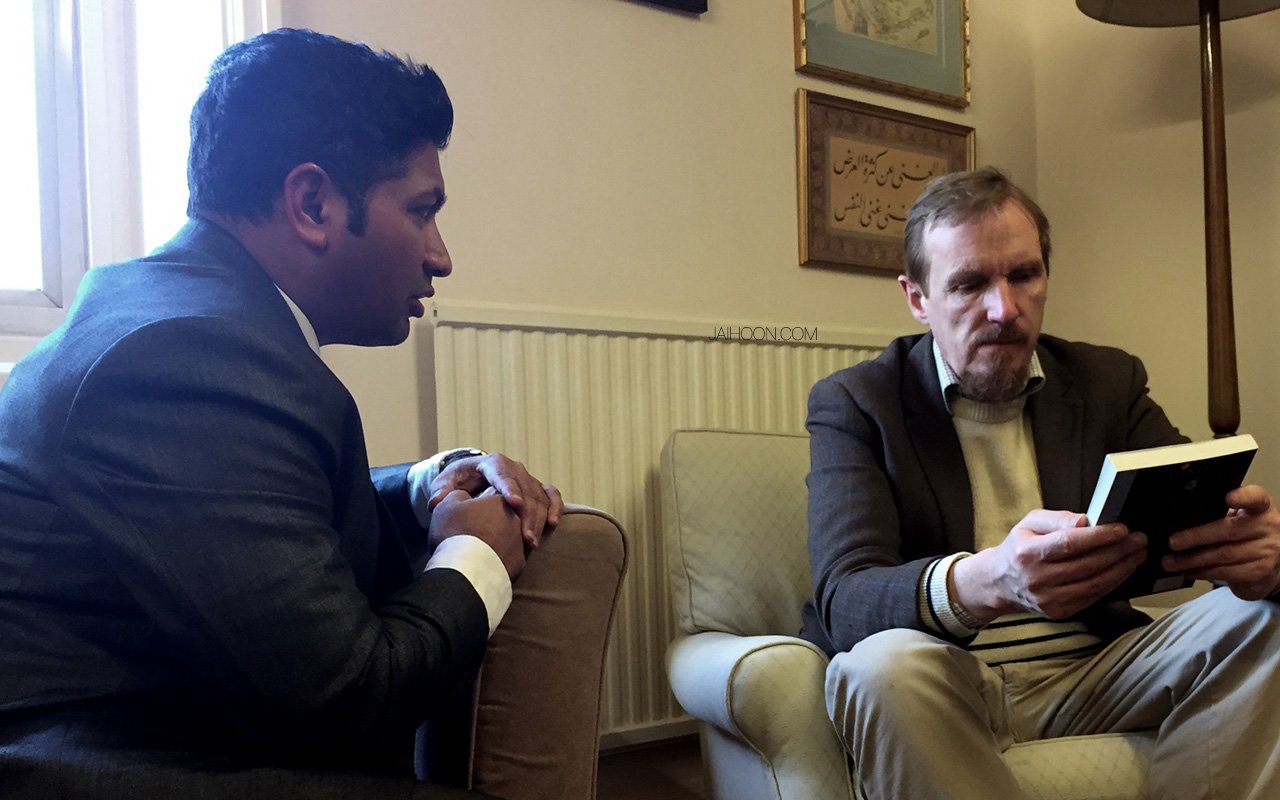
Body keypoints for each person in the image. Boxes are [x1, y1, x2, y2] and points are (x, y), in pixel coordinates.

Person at [0, 28, 563, 798]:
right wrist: (478, 558)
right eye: (422, 211)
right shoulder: (186, 356)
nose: (441, 255)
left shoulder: (178, 314)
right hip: (99, 758)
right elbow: (349, 699)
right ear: (312, 203)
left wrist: (424, 483)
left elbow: (250, 509)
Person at [804, 167, 1280, 799]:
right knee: (879, 667)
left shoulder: (1106, 380)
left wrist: (1259, 559)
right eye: (970, 284)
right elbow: (845, 596)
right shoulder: (858, 402)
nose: (1004, 309)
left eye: (1023, 275)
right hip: (949, 681)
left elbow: (1195, 519)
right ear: (917, 298)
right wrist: (991, 580)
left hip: (1098, 671)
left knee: (1269, 615)